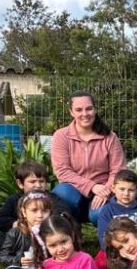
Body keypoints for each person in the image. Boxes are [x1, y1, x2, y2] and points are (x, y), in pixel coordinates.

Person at [50, 92, 126, 224]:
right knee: (61, 192)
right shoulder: (61, 136)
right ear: (71, 112)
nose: (85, 114)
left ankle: (107, 239)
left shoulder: (109, 137)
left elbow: (118, 170)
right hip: (73, 192)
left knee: (100, 214)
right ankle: (72, 229)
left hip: (102, 192)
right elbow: (62, 171)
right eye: (79, 110)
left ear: (95, 109)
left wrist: (106, 190)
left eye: (89, 108)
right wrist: (91, 186)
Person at [0, 191, 52, 269]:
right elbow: (3, 256)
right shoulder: (15, 232)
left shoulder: (52, 230)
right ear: (24, 212)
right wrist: (19, 260)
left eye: (45, 211)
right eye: (34, 211)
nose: (40, 215)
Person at [0, 158, 48, 253]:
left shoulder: (51, 198)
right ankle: (20, 259)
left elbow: (63, 213)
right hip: (22, 239)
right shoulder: (14, 200)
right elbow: (0, 220)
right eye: (32, 182)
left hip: (46, 237)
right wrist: (18, 224)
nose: (38, 185)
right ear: (20, 184)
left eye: (41, 181)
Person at [93, 169, 137, 247]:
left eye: (131, 190)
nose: (126, 193)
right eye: (122, 189)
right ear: (113, 188)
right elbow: (103, 237)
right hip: (116, 250)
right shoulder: (107, 211)